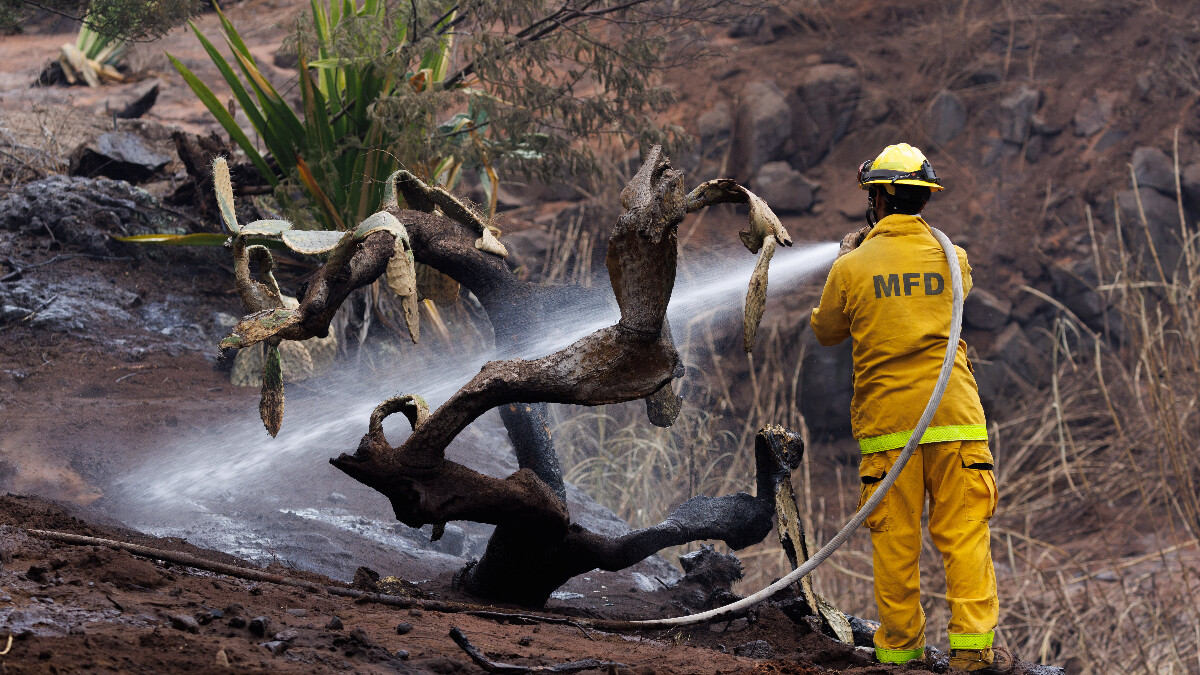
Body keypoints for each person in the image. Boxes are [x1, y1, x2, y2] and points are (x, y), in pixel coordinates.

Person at [809, 143, 1012, 673]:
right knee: (965, 533)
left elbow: (827, 330)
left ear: (875, 198)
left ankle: (900, 654)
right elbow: (955, 295)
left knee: (895, 545)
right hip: (956, 420)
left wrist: (850, 257)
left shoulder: (851, 268)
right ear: (925, 197)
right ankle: (975, 654)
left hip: (889, 430)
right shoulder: (954, 258)